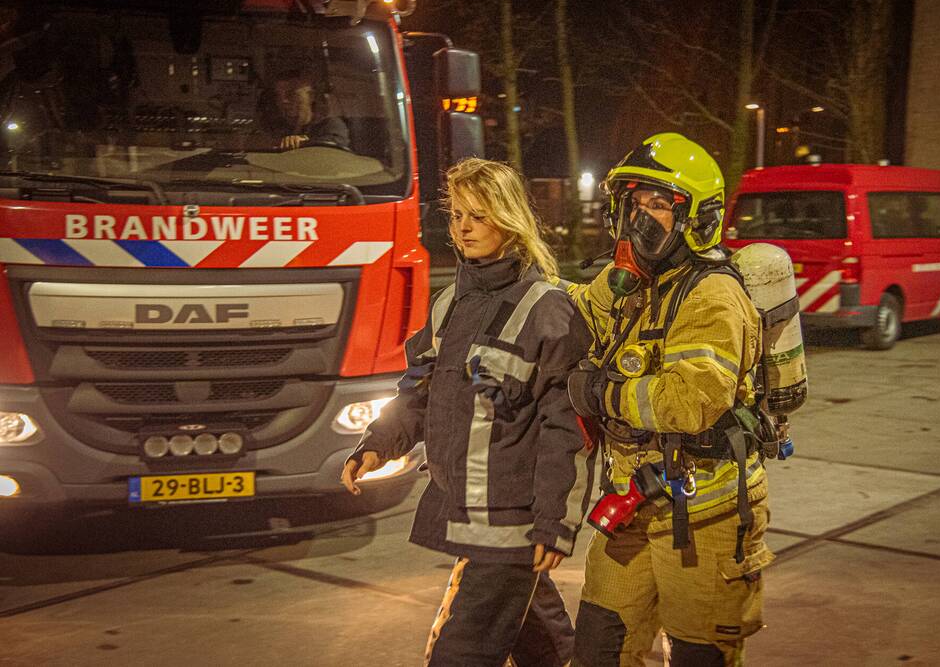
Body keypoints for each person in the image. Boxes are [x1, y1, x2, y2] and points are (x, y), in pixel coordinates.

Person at [341, 157, 596, 666]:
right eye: (456, 215)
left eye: (478, 215)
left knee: (459, 653)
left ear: (509, 218)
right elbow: (419, 391)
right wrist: (377, 443)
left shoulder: (548, 310)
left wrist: (555, 523)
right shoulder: (450, 303)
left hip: (510, 526)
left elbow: (566, 429)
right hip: (464, 515)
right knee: (545, 644)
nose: (463, 227)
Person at [562, 133, 774, 666]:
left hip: (706, 517)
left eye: (658, 205)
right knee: (598, 648)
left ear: (697, 218)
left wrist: (600, 392)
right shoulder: (634, 282)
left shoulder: (713, 294)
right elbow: (576, 314)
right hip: (633, 505)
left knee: (700, 657)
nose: (640, 218)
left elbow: (690, 400)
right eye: (634, 203)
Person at [262, 71, 350, 151]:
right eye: (278, 95)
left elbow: (333, 150)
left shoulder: (331, 126)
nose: (283, 100)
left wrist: (306, 143)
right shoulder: (277, 128)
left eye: (291, 93)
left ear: (311, 96)